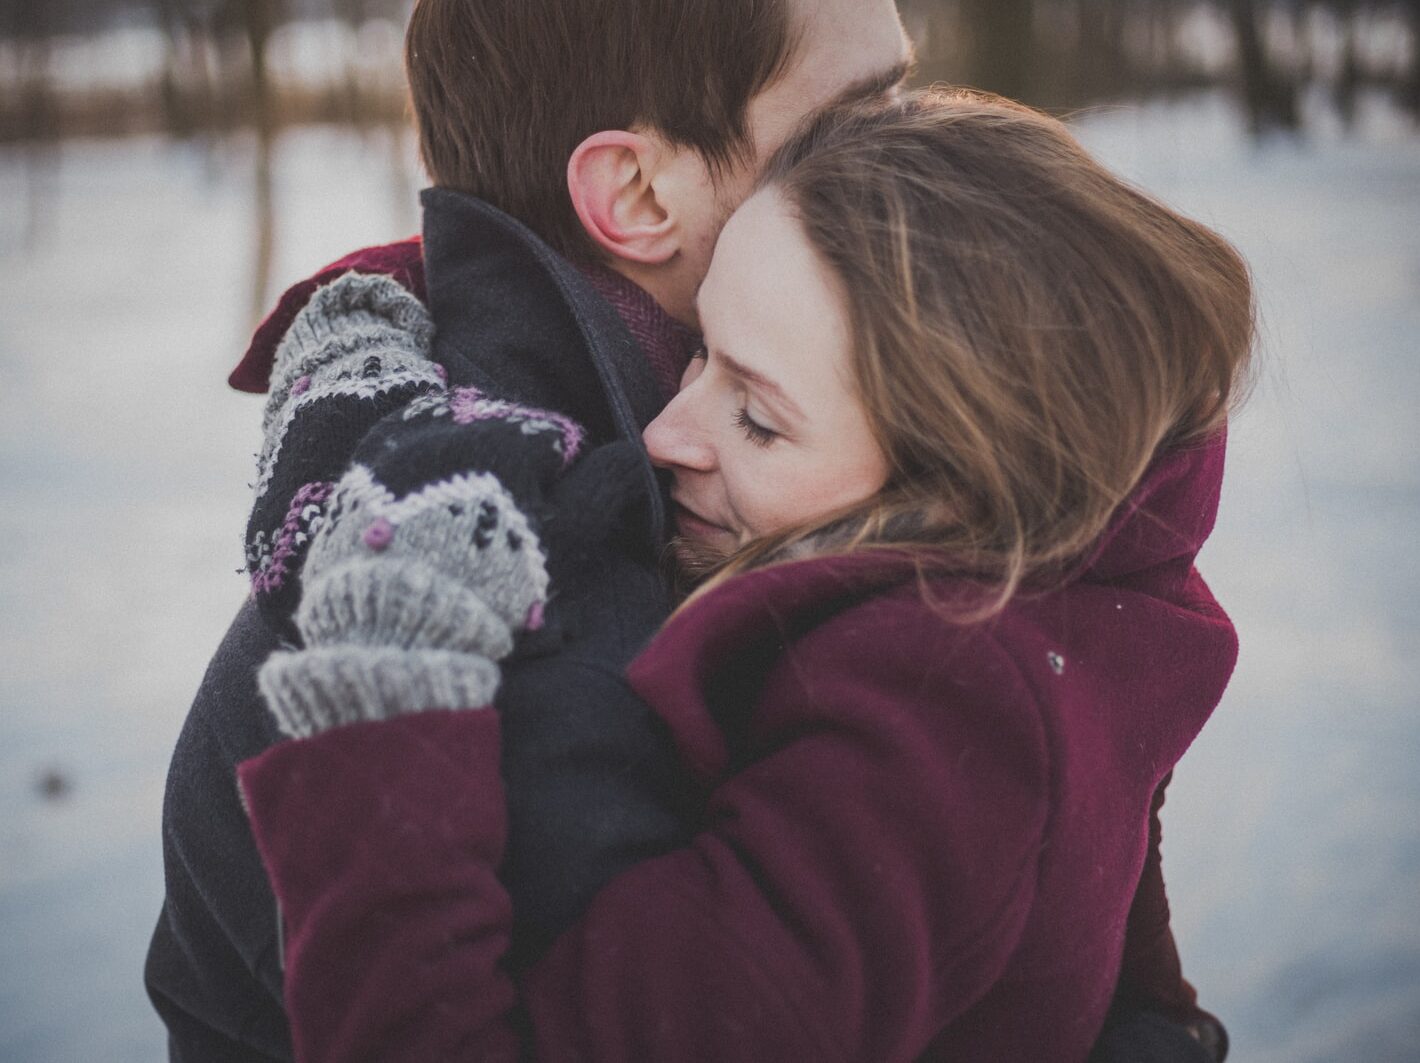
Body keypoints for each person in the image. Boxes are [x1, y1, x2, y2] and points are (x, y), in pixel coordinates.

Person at [234, 90, 1253, 1061]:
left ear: (959, 489)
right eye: (698, 351)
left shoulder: (933, 734)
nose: (666, 434)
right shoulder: (1079, 598)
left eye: (758, 418)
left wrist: (385, 687)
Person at [144, 1, 916, 1058]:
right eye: (858, 118)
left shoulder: (707, 464)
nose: (925, 149)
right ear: (637, 193)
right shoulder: (529, 606)